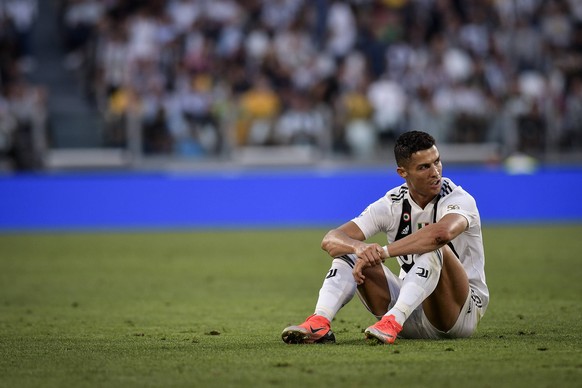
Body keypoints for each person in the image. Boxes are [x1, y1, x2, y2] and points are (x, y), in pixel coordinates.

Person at [281, 130, 488, 344]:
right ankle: (320, 322)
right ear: (402, 172)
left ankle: (393, 320)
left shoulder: (459, 199)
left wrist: (383, 252)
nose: (435, 172)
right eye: (424, 167)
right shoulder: (392, 203)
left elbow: (440, 234)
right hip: (411, 311)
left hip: (458, 313)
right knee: (350, 253)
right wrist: (358, 248)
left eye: (437, 162)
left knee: (435, 248)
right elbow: (331, 239)